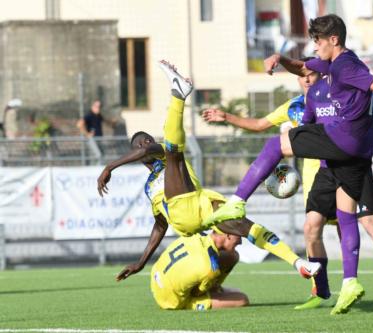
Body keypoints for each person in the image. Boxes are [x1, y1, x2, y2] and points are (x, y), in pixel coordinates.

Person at [201, 14, 373, 315]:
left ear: (334, 40)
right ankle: (349, 283)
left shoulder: (344, 66)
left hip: (343, 141)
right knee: (342, 217)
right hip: (351, 157)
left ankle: (237, 201)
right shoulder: (331, 69)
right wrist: (280, 58)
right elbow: (302, 66)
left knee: (278, 142)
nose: (314, 48)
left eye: (317, 41)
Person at [97, 60, 321, 283]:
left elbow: (151, 149)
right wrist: (141, 261)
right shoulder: (151, 184)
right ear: (136, 153)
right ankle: (178, 94)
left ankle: (298, 263)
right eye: (141, 143)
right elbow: (160, 224)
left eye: (148, 139)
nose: (147, 143)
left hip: (202, 204)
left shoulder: (162, 154)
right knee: (174, 152)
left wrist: (110, 166)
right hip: (182, 216)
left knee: (245, 226)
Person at [151, 230, 249, 311]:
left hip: (156, 278)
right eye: (239, 237)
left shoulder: (195, 233)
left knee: (232, 256)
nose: (240, 242)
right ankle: (200, 299)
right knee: (242, 299)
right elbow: (196, 293)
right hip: (171, 301)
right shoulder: (210, 267)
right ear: (228, 235)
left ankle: (215, 287)